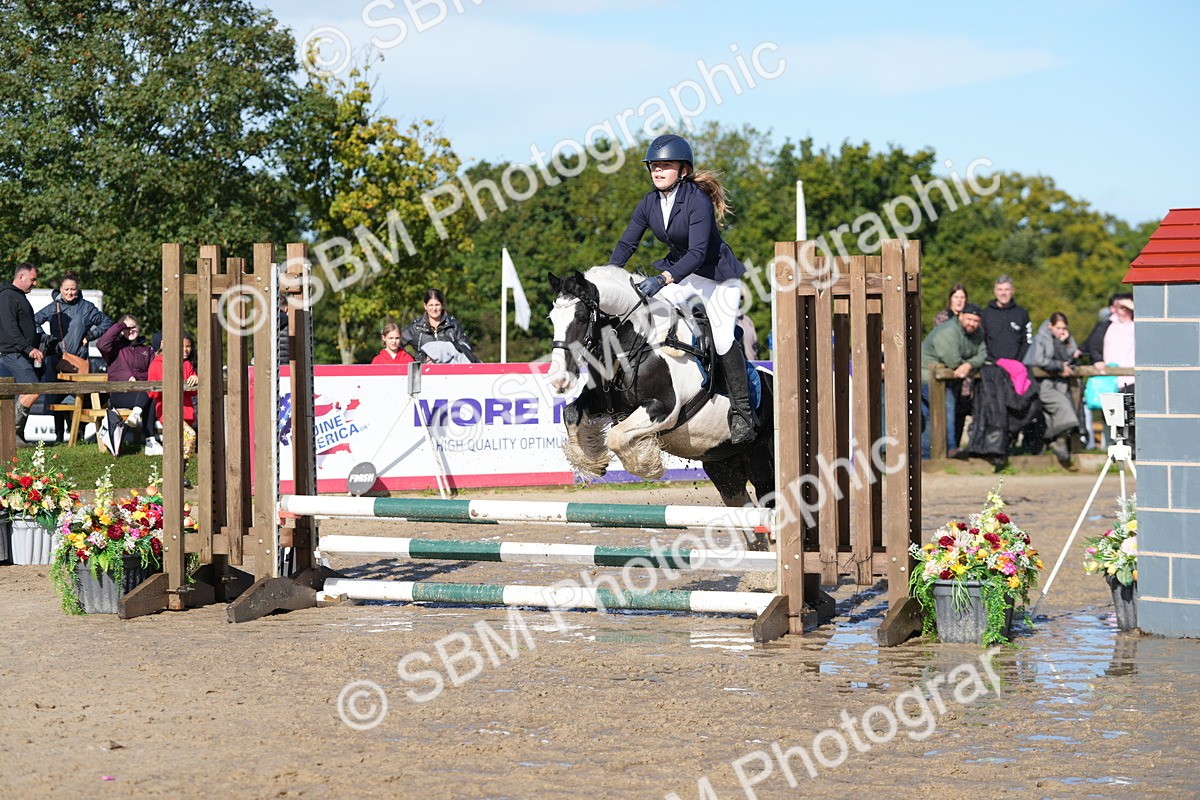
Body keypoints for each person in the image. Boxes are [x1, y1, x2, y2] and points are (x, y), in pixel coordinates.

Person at [608, 133, 755, 445]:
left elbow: (699, 253)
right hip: (681, 275)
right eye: (654, 166)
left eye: (665, 165)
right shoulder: (649, 203)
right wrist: (609, 273)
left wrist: (662, 279)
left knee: (723, 335)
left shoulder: (696, 200)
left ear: (683, 170)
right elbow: (627, 243)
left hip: (717, 277)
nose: (658, 171)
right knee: (643, 314)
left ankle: (743, 413)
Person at [33, 270, 115, 442]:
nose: (70, 293)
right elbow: (34, 321)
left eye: (73, 290)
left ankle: (78, 434)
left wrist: (90, 336)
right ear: (60, 289)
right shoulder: (53, 307)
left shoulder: (86, 307)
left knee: (79, 397)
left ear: (77, 290)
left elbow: (106, 323)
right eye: (66, 289)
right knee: (56, 396)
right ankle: (58, 437)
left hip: (79, 360)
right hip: (56, 359)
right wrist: (45, 338)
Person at [920, 302, 988, 459]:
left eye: (976, 320)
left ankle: (929, 454)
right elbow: (953, 361)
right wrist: (965, 364)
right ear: (961, 316)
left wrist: (969, 364)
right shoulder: (949, 331)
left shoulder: (977, 333)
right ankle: (948, 449)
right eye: (969, 319)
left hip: (945, 377)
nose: (972, 323)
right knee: (944, 409)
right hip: (926, 376)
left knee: (933, 414)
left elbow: (983, 354)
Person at [1024, 313, 1083, 469]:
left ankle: (1059, 443)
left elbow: (1069, 360)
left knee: (1066, 410)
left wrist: (1065, 343)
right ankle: (1058, 442)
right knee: (1064, 408)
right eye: (1058, 328)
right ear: (1050, 326)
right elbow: (1038, 360)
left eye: (1064, 328)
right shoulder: (1040, 339)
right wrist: (1059, 366)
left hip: (1059, 384)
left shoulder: (1062, 340)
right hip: (1042, 385)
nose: (1061, 331)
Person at [96, 314, 159, 454]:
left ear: (139, 328)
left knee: (151, 395)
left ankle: (149, 440)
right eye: (126, 328)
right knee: (149, 395)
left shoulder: (147, 351)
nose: (130, 330)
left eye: (133, 327)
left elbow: (152, 373)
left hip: (141, 392)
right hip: (119, 393)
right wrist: (121, 326)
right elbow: (101, 344)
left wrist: (136, 377)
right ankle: (150, 440)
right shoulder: (114, 348)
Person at [0, 262, 44, 446]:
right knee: (32, 389)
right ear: (21, 277)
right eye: (32, 279)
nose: (34, 283)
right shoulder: (8, 296)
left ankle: (15, 437)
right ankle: (8, 434)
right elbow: (10, 328)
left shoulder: (17, 296)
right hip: (12, 352)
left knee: (26, 392)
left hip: (19, 352)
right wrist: (29, 348)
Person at [931, 283, 973, 448]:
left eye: (962, 297)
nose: (959, 300)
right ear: (950, 299)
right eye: (956, 297)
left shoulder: (970, 318)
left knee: (962, 410)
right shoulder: (942, 318)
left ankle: (956, 446)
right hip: (947, 371)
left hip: (965, 375)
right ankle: (947, 448)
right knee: (947, 410)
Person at [147, 332, 199, 465]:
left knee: (180, 445)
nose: (186, 350)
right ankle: (180, 467)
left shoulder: (187, 365)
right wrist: (168, 385)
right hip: (168, 411)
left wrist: (195, 379)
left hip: (186, 411)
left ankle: (180, 471)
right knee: (190, 436)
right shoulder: (157, 363)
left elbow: (193, 392)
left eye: (188, 346)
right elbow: (151, 393)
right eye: (182, 346)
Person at [402, 289, 480, 364]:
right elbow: (395, 344)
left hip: (450, 373)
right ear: (425, 306)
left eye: (437, 305)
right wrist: (414, 361)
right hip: (425, 374)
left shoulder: (453, 325)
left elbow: (466, 348)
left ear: (442, 305)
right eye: (431, 305)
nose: (434, 308)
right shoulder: (416, 328)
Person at [979, 275, 1032, 362]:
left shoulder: (1022, 313)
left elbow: (1027, 340)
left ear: (1012, 291)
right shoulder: (985, 314)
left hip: (1017, 365)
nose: (1003, 293)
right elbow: (981, 341)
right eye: (1000, 289)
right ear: (995, 291)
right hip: (992, 366)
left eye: (1006, 289)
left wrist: (1018, 361)